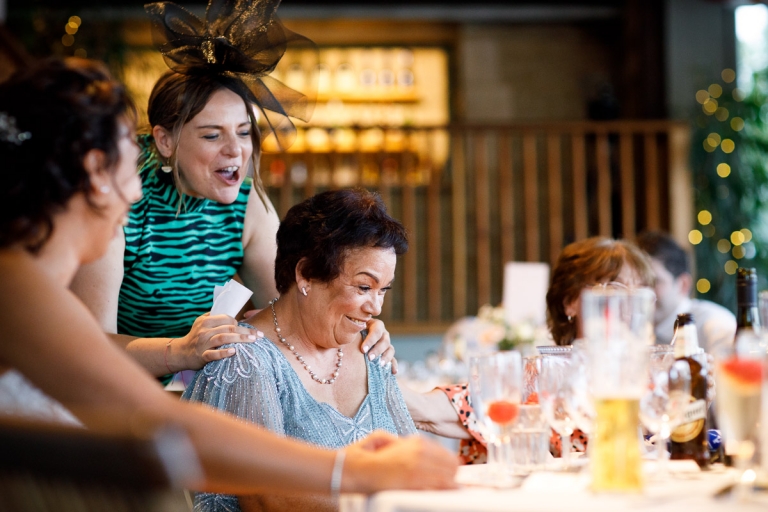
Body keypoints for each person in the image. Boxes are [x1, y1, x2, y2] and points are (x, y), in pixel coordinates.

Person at [0, 57, 457, 500]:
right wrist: (351, 470)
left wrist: (354, 315)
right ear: (99, 172)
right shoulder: (18, 292)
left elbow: (297, 302)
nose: (138, 188)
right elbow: (162, 422)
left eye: (243, 133)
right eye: (129, 158)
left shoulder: (25, 283)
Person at [70, 0, 396, 384]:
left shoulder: (247, 203)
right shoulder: (120, 201)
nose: (235, 150)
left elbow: (293, 310)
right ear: (165, 140)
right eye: (212, 134)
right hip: (100, 392)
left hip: (179, 389)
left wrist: (354, 326)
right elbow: (88, 347)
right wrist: (181, 351)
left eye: (243, 132)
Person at [184, 189, 427, 511]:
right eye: (364, 287)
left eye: (384, 290)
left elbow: (413, 460)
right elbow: (264, 496)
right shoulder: (245, 359)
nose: (376, 308)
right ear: (306, 274)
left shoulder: (371, 349)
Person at [439, 237, 654, 463]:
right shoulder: (546, 373)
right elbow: (473, 402)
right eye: (614, 289)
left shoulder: (655, 373)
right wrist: (407, 398)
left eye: (641, 294)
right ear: (570, 301)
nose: (630, 306)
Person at [636, 231, 736, 354]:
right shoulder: (628, 329)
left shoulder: (715, 324)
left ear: (683, 285)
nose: (642, 292)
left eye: (654, 282)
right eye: (636, 283)